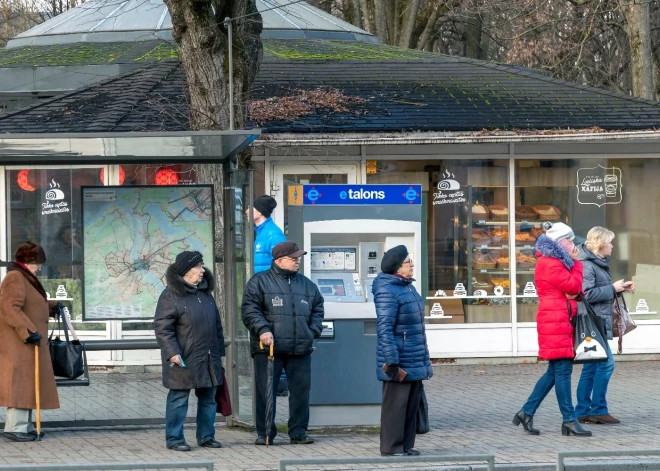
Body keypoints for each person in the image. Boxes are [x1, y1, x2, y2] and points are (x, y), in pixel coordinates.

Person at [242, 241, 324, 446]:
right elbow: (250, 310)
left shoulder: (307, 285)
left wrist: (312, 332)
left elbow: (318, 310)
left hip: (300, 349)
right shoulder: (259, 282)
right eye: (293, 258)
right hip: (269, 349)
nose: (297, 261)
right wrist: (263, 329)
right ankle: (265, 433)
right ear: (279, 260)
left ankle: (298, 432)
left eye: (298, 257)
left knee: (300, 393)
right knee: (266, 392)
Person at [513, 223, 592, 437]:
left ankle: (526, 412)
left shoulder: (554, 261)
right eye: (570, 240)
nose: (574, 244)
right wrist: (576, 263)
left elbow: (573, 291)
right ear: (560, 242)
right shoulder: (551, 263)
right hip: (555, 320)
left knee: (554, 372)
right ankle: (569, 420)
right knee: (563, 372)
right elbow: (574, 287)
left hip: (558, 319)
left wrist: (572, 290)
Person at [154, 250, 225, 451]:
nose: (202, 270)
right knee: (178, 399)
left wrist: (219, 353)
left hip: (209, 357)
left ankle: (206, 436)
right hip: (183, 357)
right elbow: (162, 328)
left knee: (208, 399)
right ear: (186, 271)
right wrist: (172, 353)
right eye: (198, 267)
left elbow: (216, 325)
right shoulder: (170, 295)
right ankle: (175, 439)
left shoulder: (205, 294)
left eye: (202, 266)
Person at [373, 245, 432, 456]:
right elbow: (385, 327)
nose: (412, 265)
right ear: (398, 267)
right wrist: (392, 359)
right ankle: (391, 447)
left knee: (410, 405)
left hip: (414, 355)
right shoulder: (387, 290)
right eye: (408, 262)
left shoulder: (408, 287)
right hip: (399, 358)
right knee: (395, 407)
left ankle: (406, 445)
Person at [0, 242, 60, 442]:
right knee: (20, 384)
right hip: (19, 343)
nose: (40, 267)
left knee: (28, 384)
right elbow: (9, 307)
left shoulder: (25, 277)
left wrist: (51, 307)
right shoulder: (15, 277)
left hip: (27, 343)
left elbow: (31, 305)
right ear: (27, 261)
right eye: (37, 263)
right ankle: (15, 427)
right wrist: (27, 331)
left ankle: (24, 427)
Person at [575, 227, 634, 425]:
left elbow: (598, 292)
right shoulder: (588, 265)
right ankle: (598, 409)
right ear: (601, 245)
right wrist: (612, 288)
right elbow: (588, 294)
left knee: (591, 368)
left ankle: (582, 410)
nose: (612, 246)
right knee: (606, 364)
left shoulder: (595, 262)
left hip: (597, 320)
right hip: (593, 322)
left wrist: (618, 289)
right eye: (610, 242)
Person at [249, 195, 286, 274]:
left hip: (268, 285)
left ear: (260, 212)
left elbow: (282, 264)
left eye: (250, 208)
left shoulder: (273, 234)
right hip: (261, 283)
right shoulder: (261, 232)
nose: (247, 211)